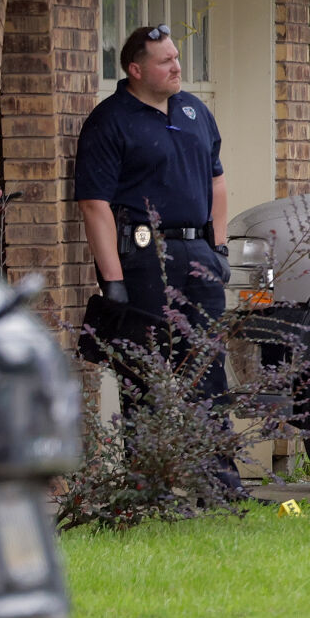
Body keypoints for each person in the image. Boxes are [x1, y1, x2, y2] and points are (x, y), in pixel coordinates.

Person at [74, 25, 231, 415]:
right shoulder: (109, 121)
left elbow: (217, 181)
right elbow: (95, 205)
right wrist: (112, 281)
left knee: (208, 372)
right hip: (145, 258)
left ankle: (215, 475)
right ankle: (150, 474)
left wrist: (220, 249)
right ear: (136, 70)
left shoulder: (195, 111)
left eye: (176, 57)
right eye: (166, 62)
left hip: (200, 253)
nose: (177, 67)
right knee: (145, 379)